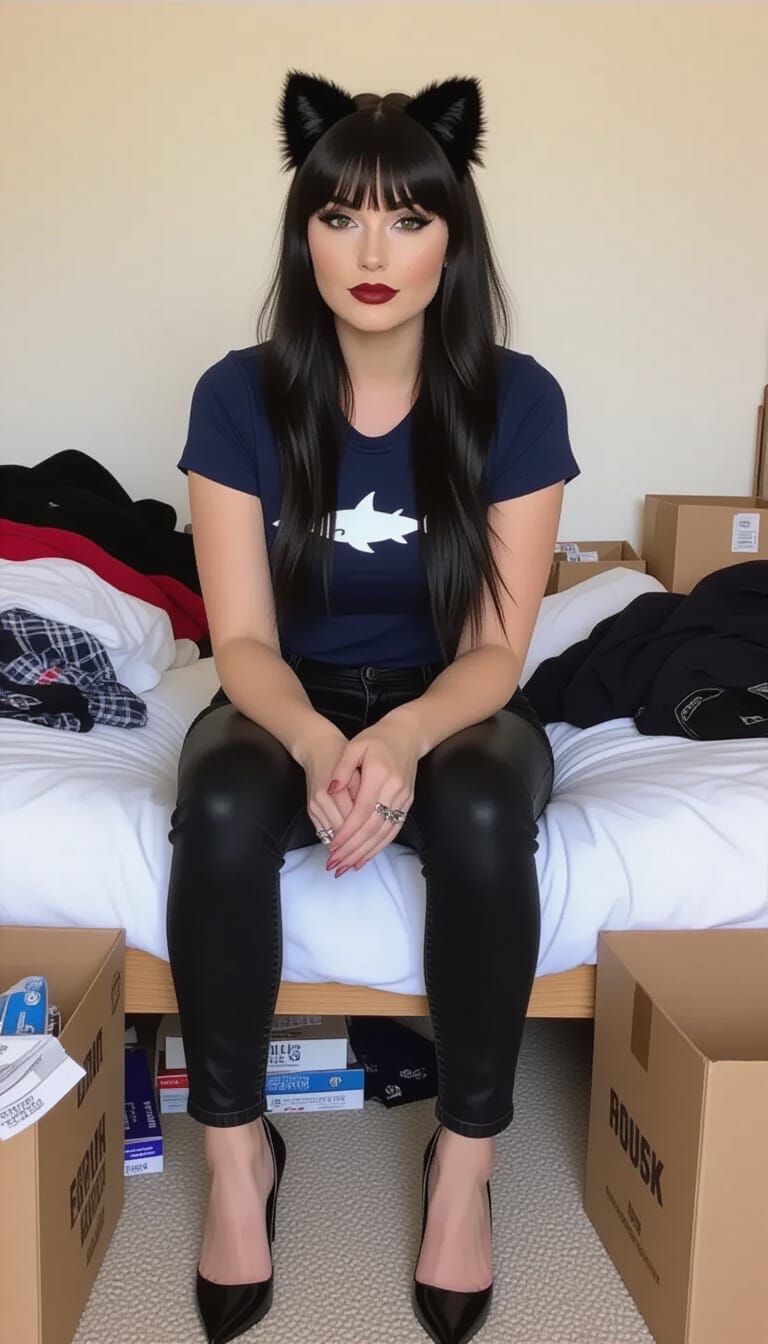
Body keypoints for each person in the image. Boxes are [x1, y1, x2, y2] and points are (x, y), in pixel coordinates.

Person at [167, 68, 580, 1344]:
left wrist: (399, 739)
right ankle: (239, 1159)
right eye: (340, 216)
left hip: (450, 699)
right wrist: (312, 742)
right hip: (285, 693)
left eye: (408, 218)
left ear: (454, 235)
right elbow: (237, 635)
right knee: (226, 805)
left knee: (481, 811)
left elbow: (496, 654)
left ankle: (467, 1169)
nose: (372, 250)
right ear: (303, 234)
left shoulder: (519, 398)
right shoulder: (239, 396)